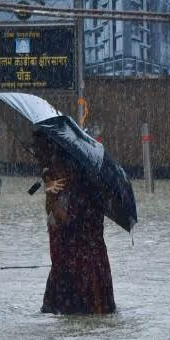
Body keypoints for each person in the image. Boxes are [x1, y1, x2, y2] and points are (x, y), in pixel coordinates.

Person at [32, 132, 116, 315]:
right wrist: (49, 194)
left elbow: (72, 224)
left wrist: (53, 199)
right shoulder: (65, 185)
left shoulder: (85, 189)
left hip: (81, 269)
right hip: (70, 267)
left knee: (79, 312)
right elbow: (53, 219)